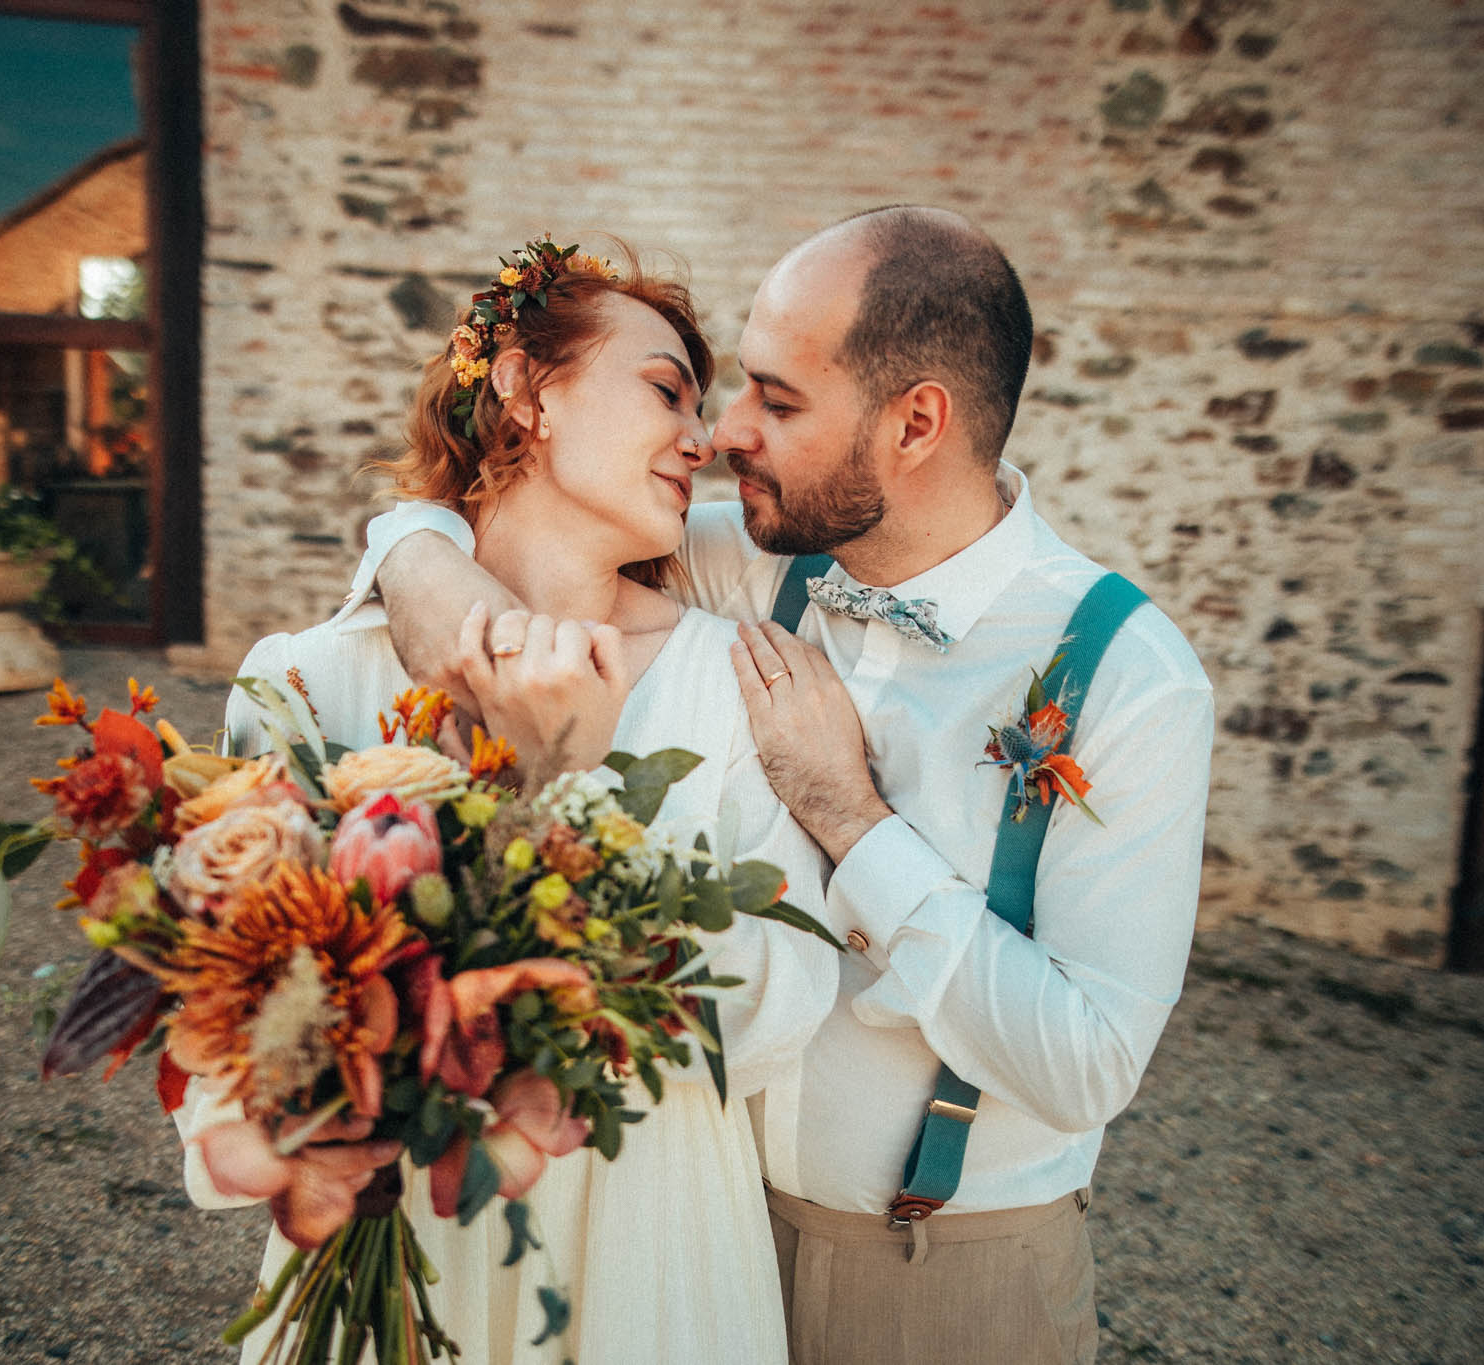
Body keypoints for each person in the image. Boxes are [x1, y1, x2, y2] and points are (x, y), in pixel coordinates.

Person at [354, 206, 1215, 1364]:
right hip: (691, 1239)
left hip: (944, 1276)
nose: (723, 435)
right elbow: (487, 522)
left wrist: (851, 821)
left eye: (778, 400)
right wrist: (422, 566)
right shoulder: (752, 557)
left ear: (916, 422)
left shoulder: (1127, 674)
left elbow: (1088, 1064)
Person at [171, 240, 838, 1364]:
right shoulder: (309, 678)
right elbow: (217, 1010)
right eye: (665, 390)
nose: (701, 440)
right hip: (403, 1229)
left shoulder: (735, 678)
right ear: (525, 389)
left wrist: (568, 782)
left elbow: (778, 1004)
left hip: (644, 1228)